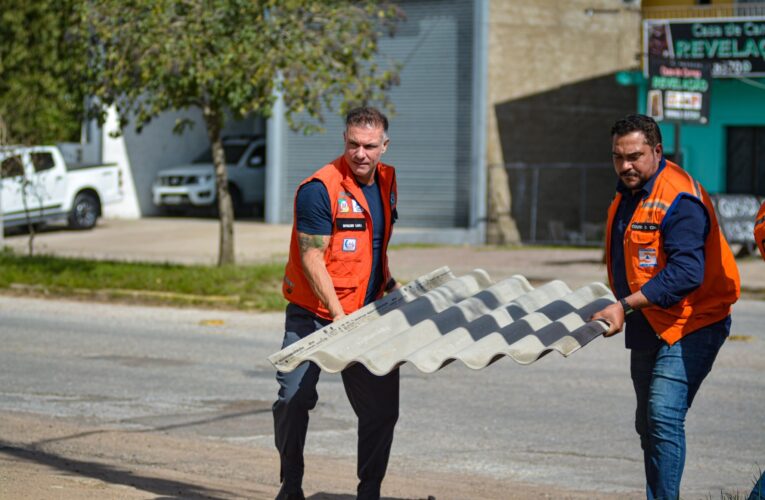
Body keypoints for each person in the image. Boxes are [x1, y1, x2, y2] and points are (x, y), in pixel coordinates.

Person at [592, 114, 740, 499]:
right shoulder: (629, 190)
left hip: (695, 321)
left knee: (662, 416)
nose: (625, 165)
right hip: (649, 319)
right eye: (618, 157)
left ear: (657, 151)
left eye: (635, 156)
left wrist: (624, 305)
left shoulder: (680, 199)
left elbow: (687, 274)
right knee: (648, 423)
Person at [273, 106, 401, 500]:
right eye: (352, 145)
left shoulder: (387, 182)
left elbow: (373, 246)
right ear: (343, 141)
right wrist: (340, 318)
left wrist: (390, 285)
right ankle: (291, 485)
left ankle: (369, 492)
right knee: (293, 399)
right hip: (314, 314)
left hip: (365, 314)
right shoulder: (320, 188)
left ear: (383, 145)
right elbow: (313, 257)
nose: (360, 154)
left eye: (368, 146)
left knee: (382, 411)